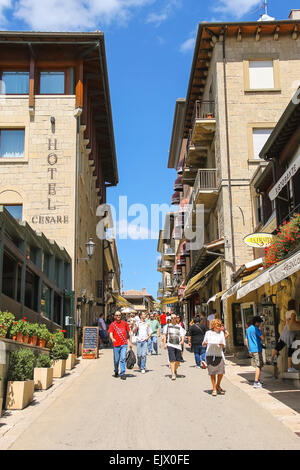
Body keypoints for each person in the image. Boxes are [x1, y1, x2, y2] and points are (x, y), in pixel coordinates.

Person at [271, 299, 300, 373]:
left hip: (285, 331)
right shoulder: (293, 312)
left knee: (280, 345)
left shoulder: (287, 312)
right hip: (291, 332)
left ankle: (272, 358)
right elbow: (293, 322)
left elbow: (284, 323)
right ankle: (289, 367)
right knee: (291, 350)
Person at [202, 318, 226, 396]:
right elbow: (203, 343)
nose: (219, 327)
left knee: (221, 372)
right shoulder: (208, 333)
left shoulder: (221, 333)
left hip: (219, 354)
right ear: (213, 326)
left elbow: (224, 344)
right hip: (210, 354)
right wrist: (205, 343)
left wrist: (221, 344)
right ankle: (214, 388)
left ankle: (218, 384)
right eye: (217, 325)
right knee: (212, 373)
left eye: (220, 325)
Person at [108, 311, 132, 380]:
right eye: (117, 315)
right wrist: (112, 338)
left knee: (123, 358)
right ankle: (116, 371)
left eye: (119, 315)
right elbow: (110, 333)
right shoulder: (112, 324)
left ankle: (123, 373)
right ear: (114, 316)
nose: (118, 316)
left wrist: (130, 342)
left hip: (124, 344)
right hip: (116, 345)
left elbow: (129, 332)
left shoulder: (124, 323)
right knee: (116, 360)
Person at [163, 313, 186, 381]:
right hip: (170, 344)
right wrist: (164, 343)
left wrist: (182, 341)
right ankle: (173, 374)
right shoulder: (167, 326)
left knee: (178, 361)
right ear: (170, 319)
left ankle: (175, 369)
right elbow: (164, 335)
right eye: (172, 318)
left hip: (178, 345)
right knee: (172, 359)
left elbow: (182, 335)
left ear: (176, 319)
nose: (173, 319)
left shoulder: (179, 327)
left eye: (174, 318)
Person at [245, 316, 264, 388]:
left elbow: (246, 340)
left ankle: (258, 380)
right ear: (257, 322)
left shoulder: (248, 329)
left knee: (257, 365)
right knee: (258, 366)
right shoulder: (257, 329)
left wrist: (249, 349)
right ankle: (256, 382)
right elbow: (262, 337)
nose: (260, 324)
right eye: (259, 323)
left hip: (252, 350)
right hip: (257, 349)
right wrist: (261, 330)